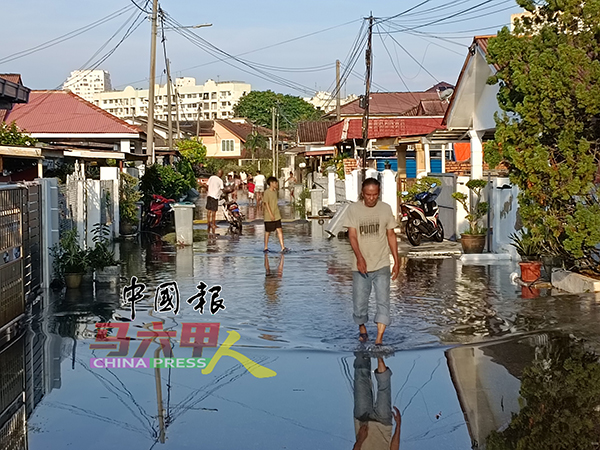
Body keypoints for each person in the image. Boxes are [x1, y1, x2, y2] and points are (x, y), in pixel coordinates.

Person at [344, 178, 399, 345]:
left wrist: (397, 260)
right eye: (368, 195)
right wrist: (360, 258)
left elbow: (391, 235)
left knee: (383, 301)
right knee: (360, 303)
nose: (371, 198)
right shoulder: (353, 210)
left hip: (382, 262)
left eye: (375, 195)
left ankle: (379, 340)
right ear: (363, 193)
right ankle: (362, 328)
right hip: (361, 265)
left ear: (379, 193)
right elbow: (352, 236)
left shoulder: (385, 209)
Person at [352, 353, 401, 450]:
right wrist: (398, 425)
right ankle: (379, 353)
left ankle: (362, 345)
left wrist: (361, 439)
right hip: (383, 425)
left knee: (360, 379)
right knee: (384, 387)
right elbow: (394, 448)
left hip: (362, 422)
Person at [262, 176, 289, 253]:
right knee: (268, 232)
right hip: (268, 215)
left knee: (279, 230)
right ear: (271, 183)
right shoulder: (266, 192)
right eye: (275, 183)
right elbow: (266, 204)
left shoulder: (275, 192)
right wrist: (270, 214)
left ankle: (283, 247)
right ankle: (265, 247)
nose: (276, 184)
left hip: (277, 214)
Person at [206, 170, 224, 235]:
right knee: (214, 211)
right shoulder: (220, 181)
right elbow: (222, 189)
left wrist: (208, 191)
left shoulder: (211, 177)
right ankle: (213, 224)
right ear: (221, 174)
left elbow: (207, 185)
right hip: (215, 196)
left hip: (209, 195)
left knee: (209, 210)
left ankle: (208, 223)